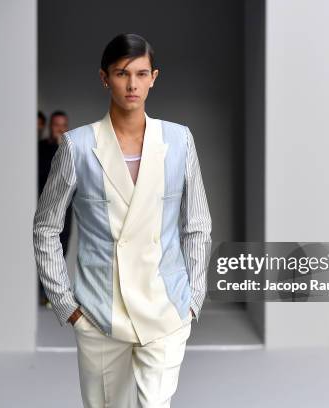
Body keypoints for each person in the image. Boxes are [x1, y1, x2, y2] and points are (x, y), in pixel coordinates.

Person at [33, 33, 212, 407]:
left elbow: (196, 224)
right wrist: (66, 304)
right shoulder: (77, 146)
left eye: (141, 74)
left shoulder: (179, 141)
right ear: (104, 78)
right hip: (100, 311)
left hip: (166, 306)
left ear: (154, 77)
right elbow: (46, 227)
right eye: (121, 73)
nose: (132, 84)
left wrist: (193, 297)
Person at [37, 110, 72, 307]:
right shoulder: (41, 149)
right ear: (51, 126)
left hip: (65, 208)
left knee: (62, 249)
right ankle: (43, 294)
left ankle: (51, 294)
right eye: (56, 124)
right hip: (43, 207)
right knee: (44, 248)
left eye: (63, 125)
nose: (60, 128)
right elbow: (41, 176)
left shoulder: (71, 148)